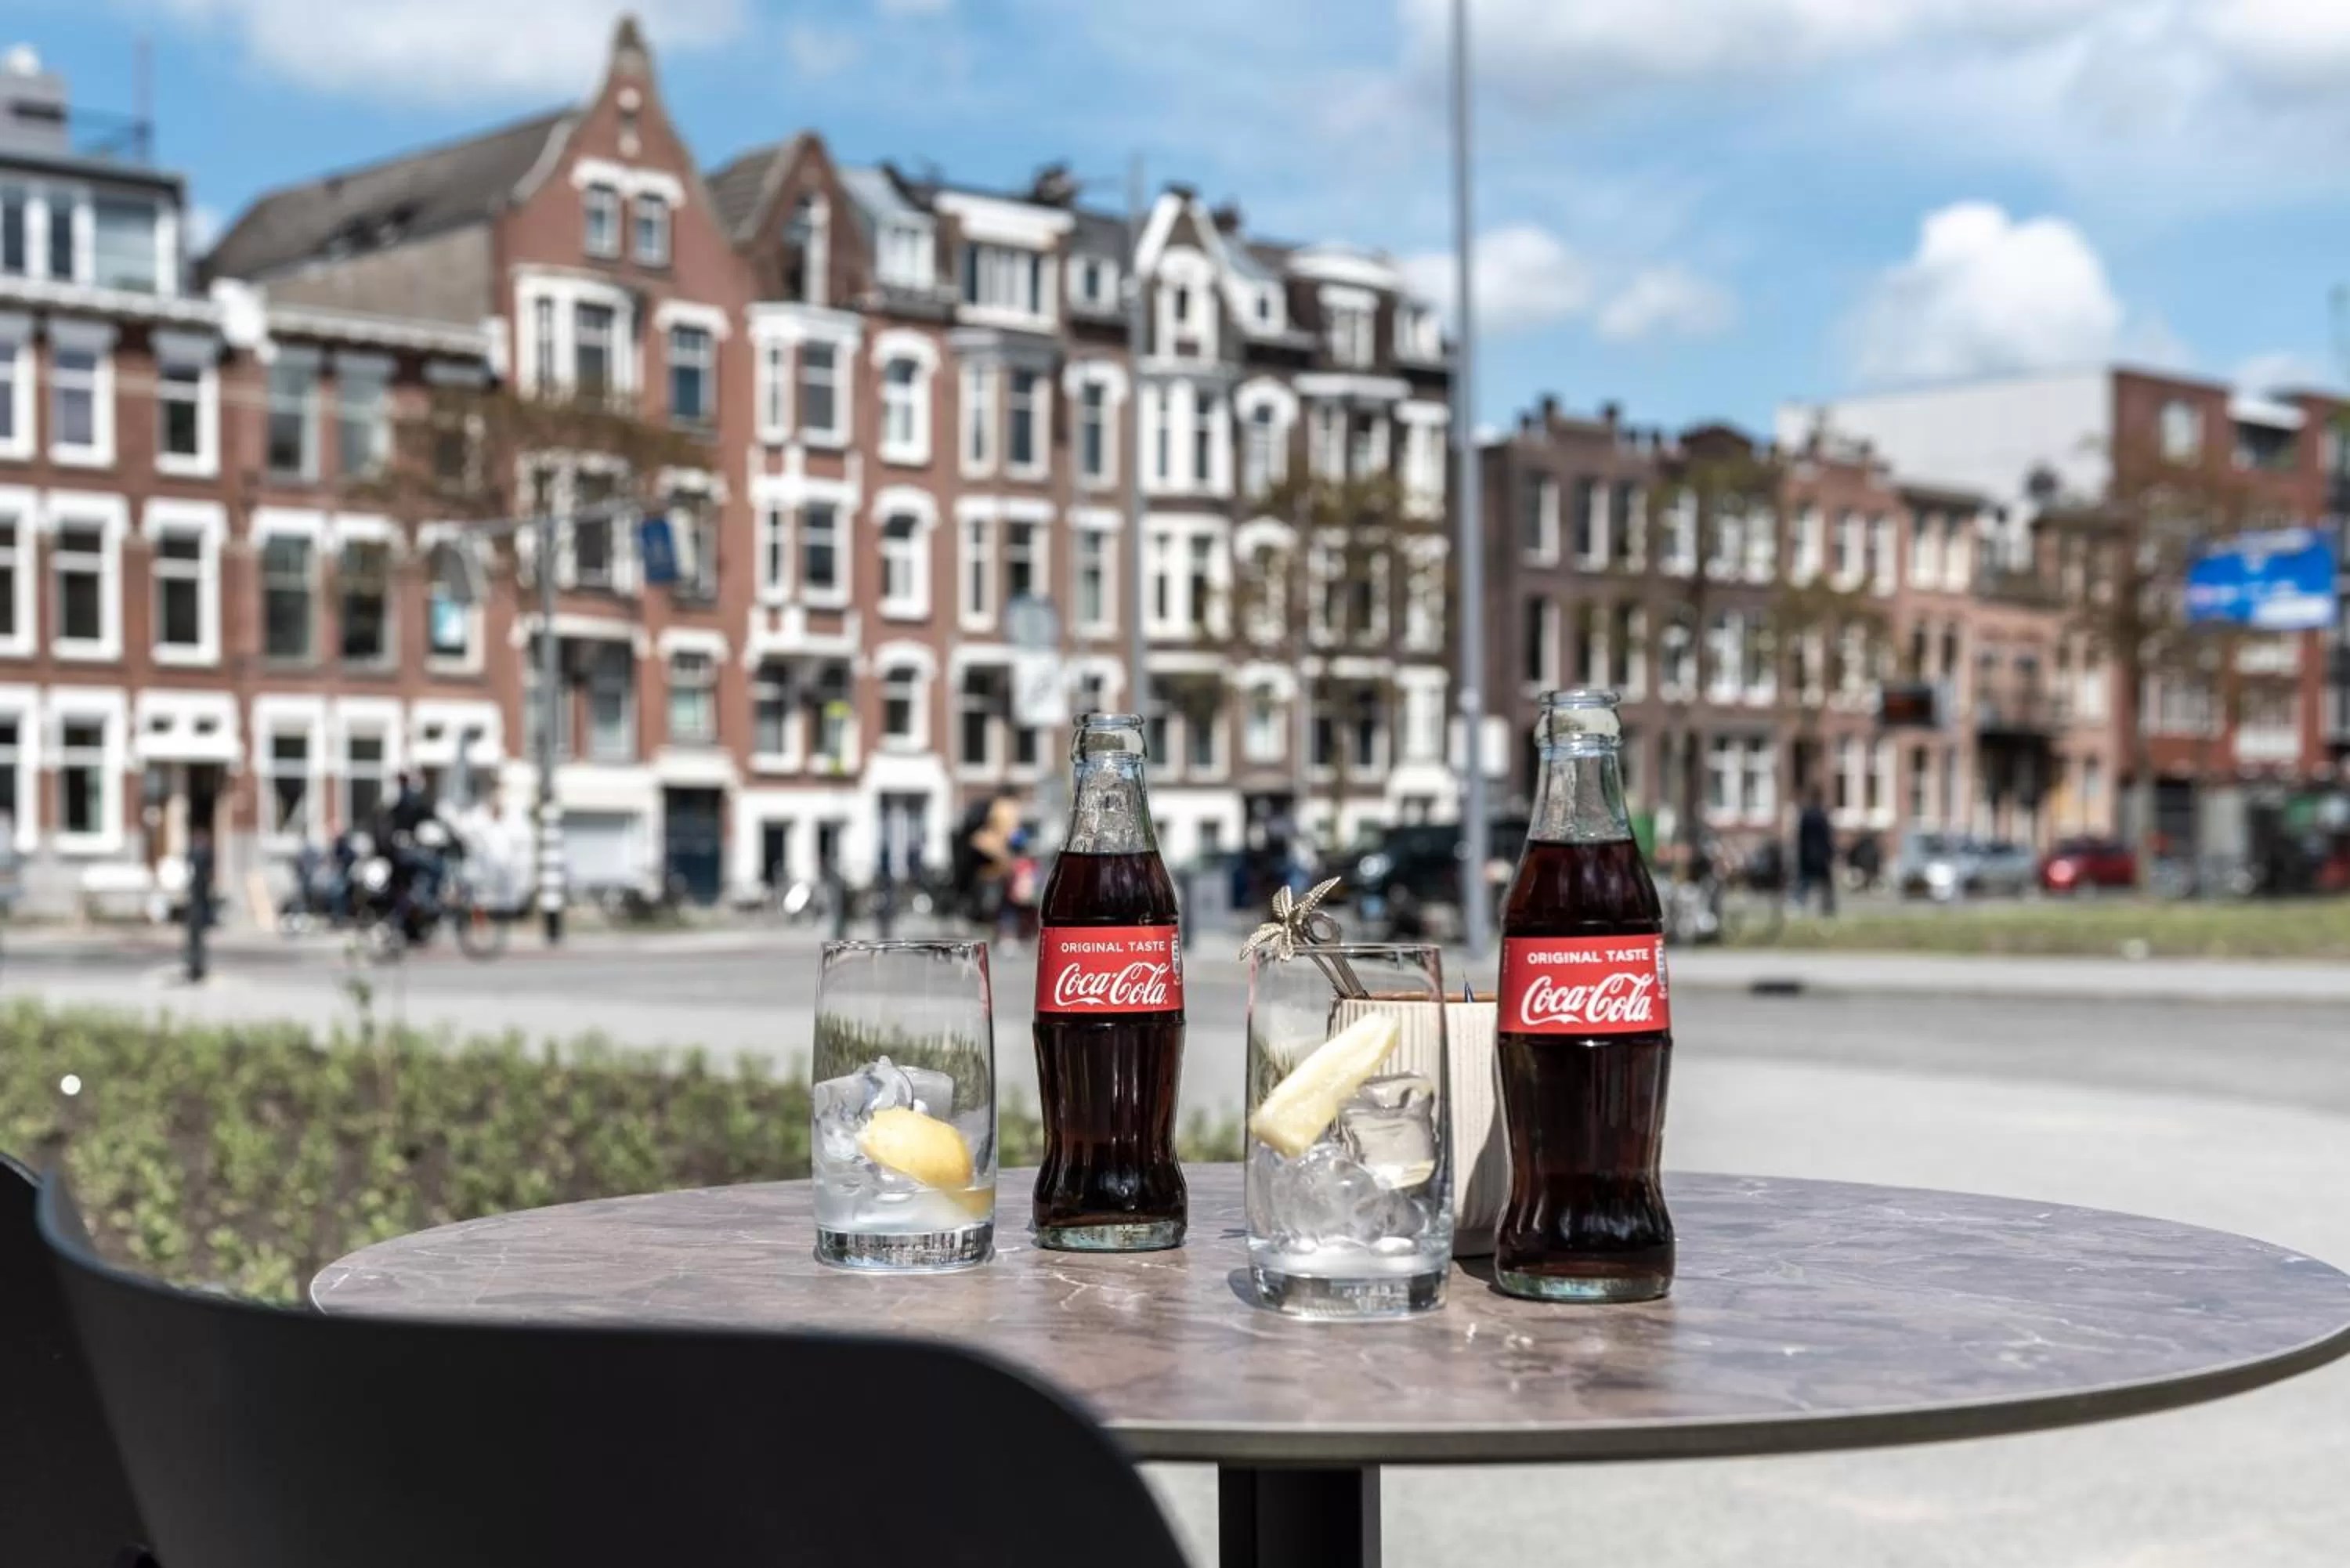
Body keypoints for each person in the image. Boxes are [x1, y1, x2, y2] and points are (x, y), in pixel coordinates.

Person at [1795, 788, 1837, 917]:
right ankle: (1828, 909)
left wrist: (1800, 855)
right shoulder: (1822, 816)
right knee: (1826, 884)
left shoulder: (1805, 815)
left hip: (1807, 855)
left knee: (1805, 882)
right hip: (1821, 856)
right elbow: (1827, 837)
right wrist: (1830, 853)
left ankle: (1799, 905)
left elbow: (1801, 838)